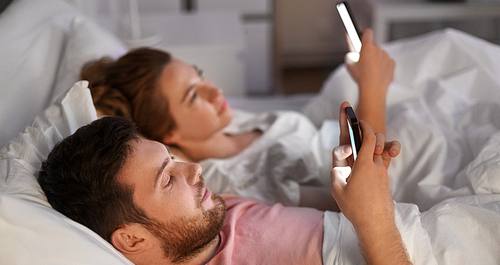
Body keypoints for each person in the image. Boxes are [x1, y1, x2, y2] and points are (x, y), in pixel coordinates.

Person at [38, 102, 441, 265]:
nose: (194, 169)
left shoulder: (217, 211)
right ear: (132, 240)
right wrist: (374, 220)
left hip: (438, 226)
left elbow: (341, 212)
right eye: (167, 179)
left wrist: (354, 181)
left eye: (173, 158)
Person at [80, 29, 396, 210]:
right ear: (168, 134)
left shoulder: (226, 124)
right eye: (193, 96)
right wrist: (373, 86)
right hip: (389, 165)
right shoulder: (242, 179)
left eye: (200, 76)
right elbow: (362, 199)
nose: (215, 90)